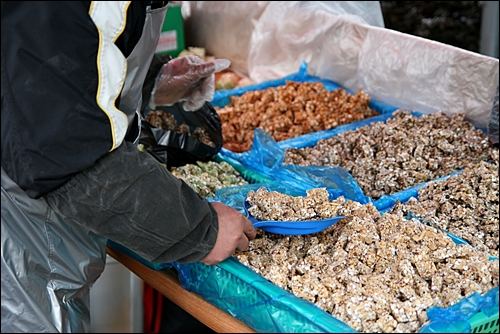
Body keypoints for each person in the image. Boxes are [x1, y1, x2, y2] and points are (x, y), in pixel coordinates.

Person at [1, 1, 256, 332]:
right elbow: (65, 152)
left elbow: (75, 51)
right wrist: (202, 230)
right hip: (22, 229)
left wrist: (151, 79)